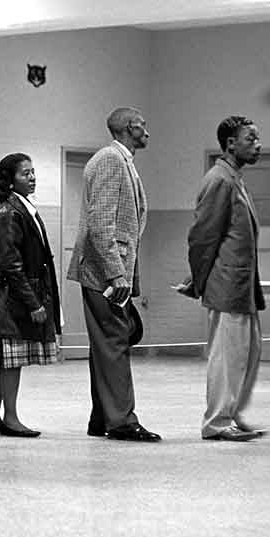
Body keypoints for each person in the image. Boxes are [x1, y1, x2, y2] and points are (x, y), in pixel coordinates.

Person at [66, 107, 160, 442]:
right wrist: (116, 274)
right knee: (115, 342)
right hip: (104, 273)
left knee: (108, 344)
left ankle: (102, 417)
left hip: (109, 270)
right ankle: (121, 421)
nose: (147, 130)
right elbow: (101, 222)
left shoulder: (123, 161)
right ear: (130, 127)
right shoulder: (110, 160)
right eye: (143, 124)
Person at [186, 116, 265, 442]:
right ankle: (217, 422)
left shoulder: (235, 178)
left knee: (249, 352)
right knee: (227, 357)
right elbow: (202, 237)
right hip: (227, 284)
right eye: (251, 138)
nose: (258, 144)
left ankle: (232, 413)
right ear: (231, 143)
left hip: (243, 285)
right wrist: (199, 281)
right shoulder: (220, 180)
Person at [0, 153, 60, 438]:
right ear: (10, 179)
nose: (32, 177)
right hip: (10, 303)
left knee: (5, 363)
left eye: (33, 172)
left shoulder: (22, 208)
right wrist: (33, 303)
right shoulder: (9, 213)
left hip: (11, 299)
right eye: (25, 173)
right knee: (10, 362)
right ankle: (10, 418)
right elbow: (11, 264)